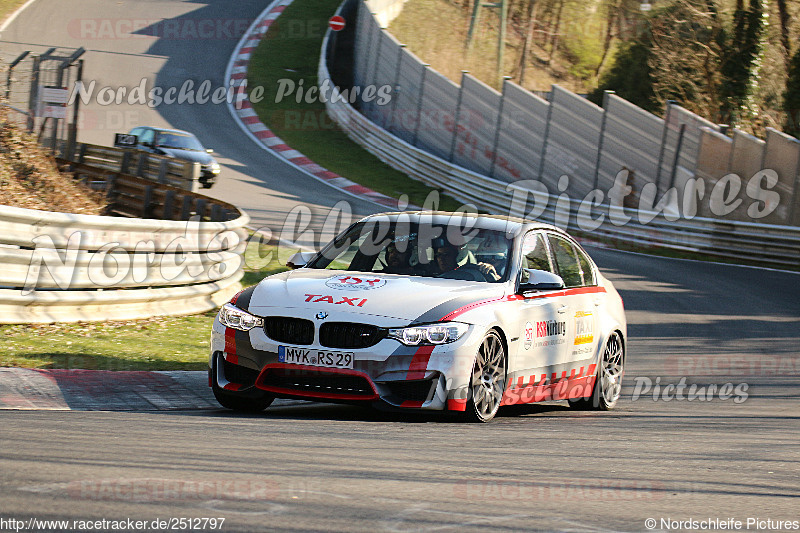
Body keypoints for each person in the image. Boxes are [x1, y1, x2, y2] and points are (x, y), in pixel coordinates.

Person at [432, 240, 501, 281]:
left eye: (446, 255)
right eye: (439, 255)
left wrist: (493, 274)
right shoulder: (426, 276)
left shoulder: (474, 275)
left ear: (457, 256)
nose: (441, 258)